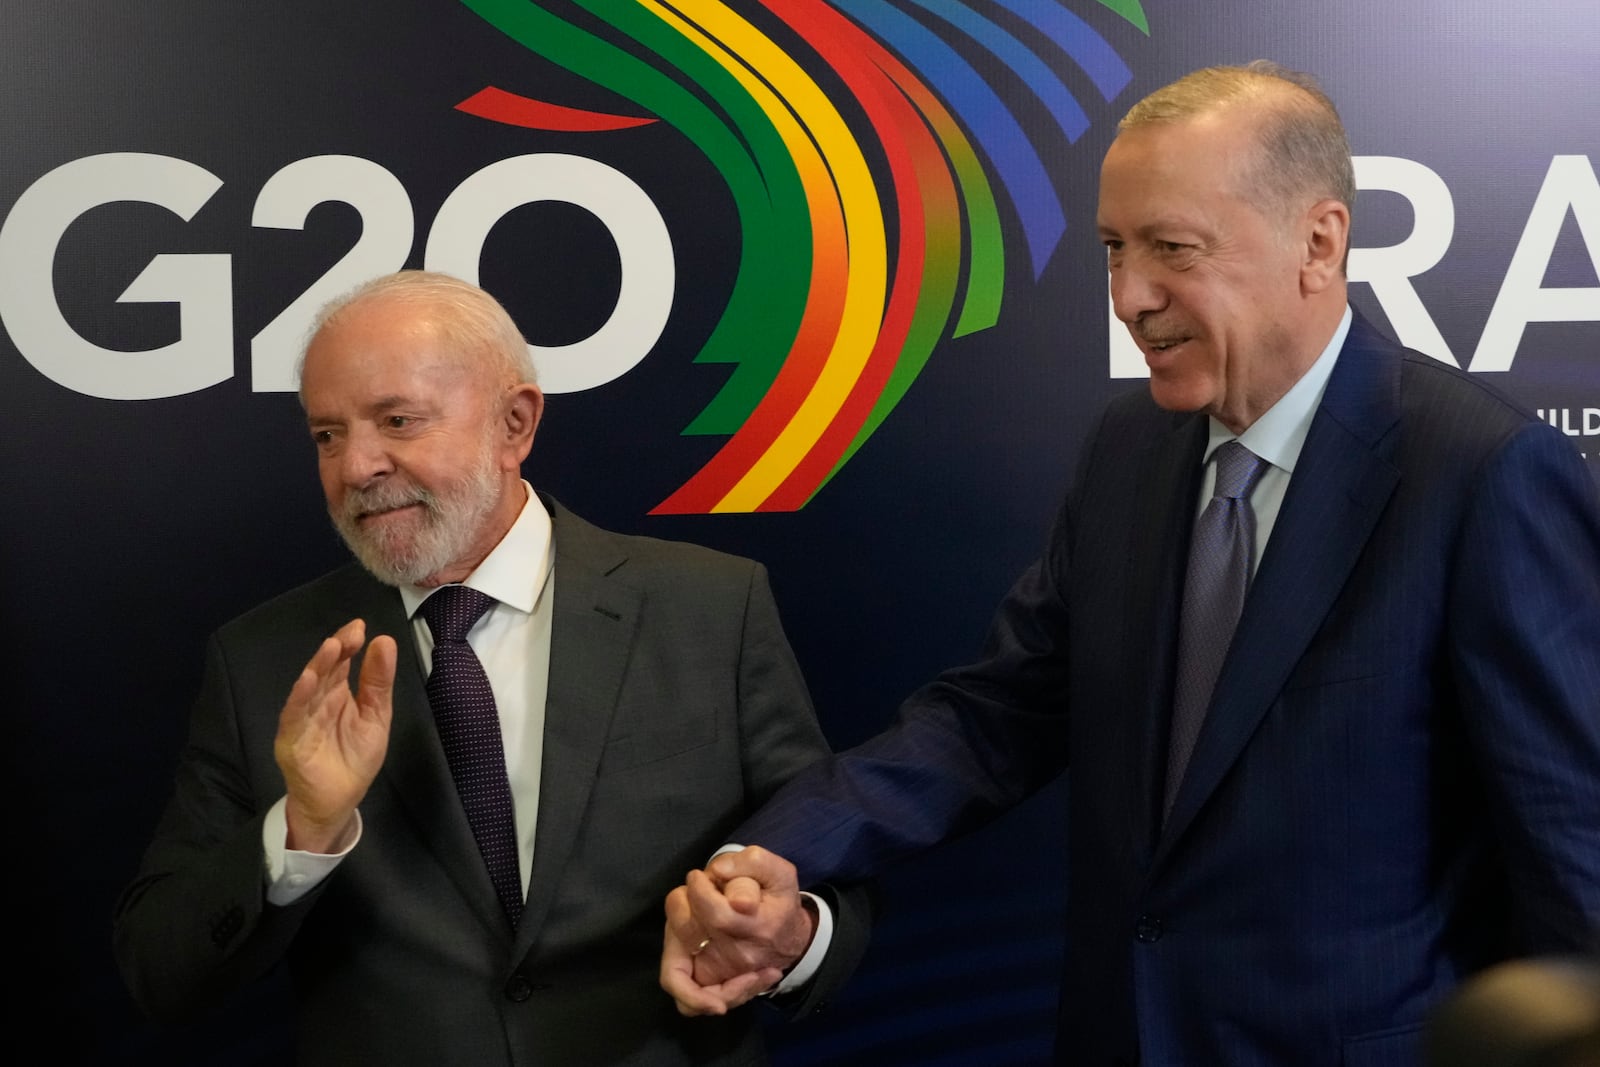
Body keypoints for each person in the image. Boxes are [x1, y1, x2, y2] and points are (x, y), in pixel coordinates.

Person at [660, 62, 1600, 1065]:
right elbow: (999, 716)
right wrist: (776, 852)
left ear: (1318, 244)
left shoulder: (1481, 472)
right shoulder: (1126, 450)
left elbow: (1572, 849)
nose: (1128, 295)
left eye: (1170, 249)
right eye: (1113, 248)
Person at [114, 271, 869, 1066]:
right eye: (326, 435)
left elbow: (827, 864)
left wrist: (794, 933)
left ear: (515, 423)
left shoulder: (712, 608)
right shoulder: (264, 660)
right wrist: (302, 829)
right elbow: (160, 969)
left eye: (396, 420)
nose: (356, 466)